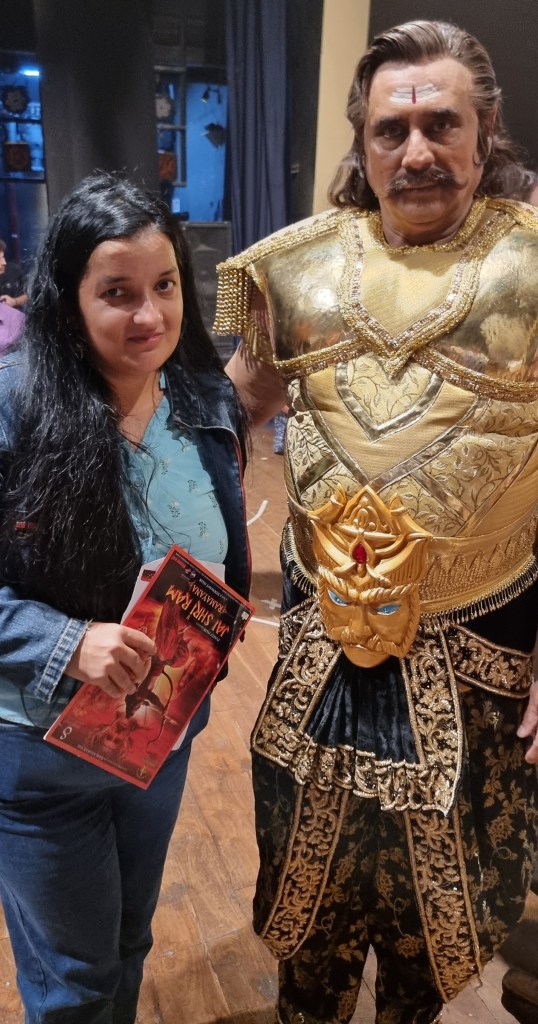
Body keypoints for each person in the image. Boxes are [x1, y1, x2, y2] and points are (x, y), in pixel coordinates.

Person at [214, 19, 538, 1024]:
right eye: (392, 129)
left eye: (442, 124)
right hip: (320, 639)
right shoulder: (295, 268)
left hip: (482, 638)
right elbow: (233, 409)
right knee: (305, 895)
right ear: (363, 142)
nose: (417, 151)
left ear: (487, 130)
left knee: (436, 920)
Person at [0, 172, 250, 1024]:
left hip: (157, 739)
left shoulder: (203, 399)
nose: (150, 315)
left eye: (165, 286)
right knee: (75, 980)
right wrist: (64, 641)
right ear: (68, 299)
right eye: (117, 293)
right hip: (38, 753)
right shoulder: (14, 407)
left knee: (130, 942)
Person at [0, 238, 28, 308]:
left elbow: (28, 295)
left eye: (3, 257)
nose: (4, 263)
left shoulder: (14, 270)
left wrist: (15, 301)